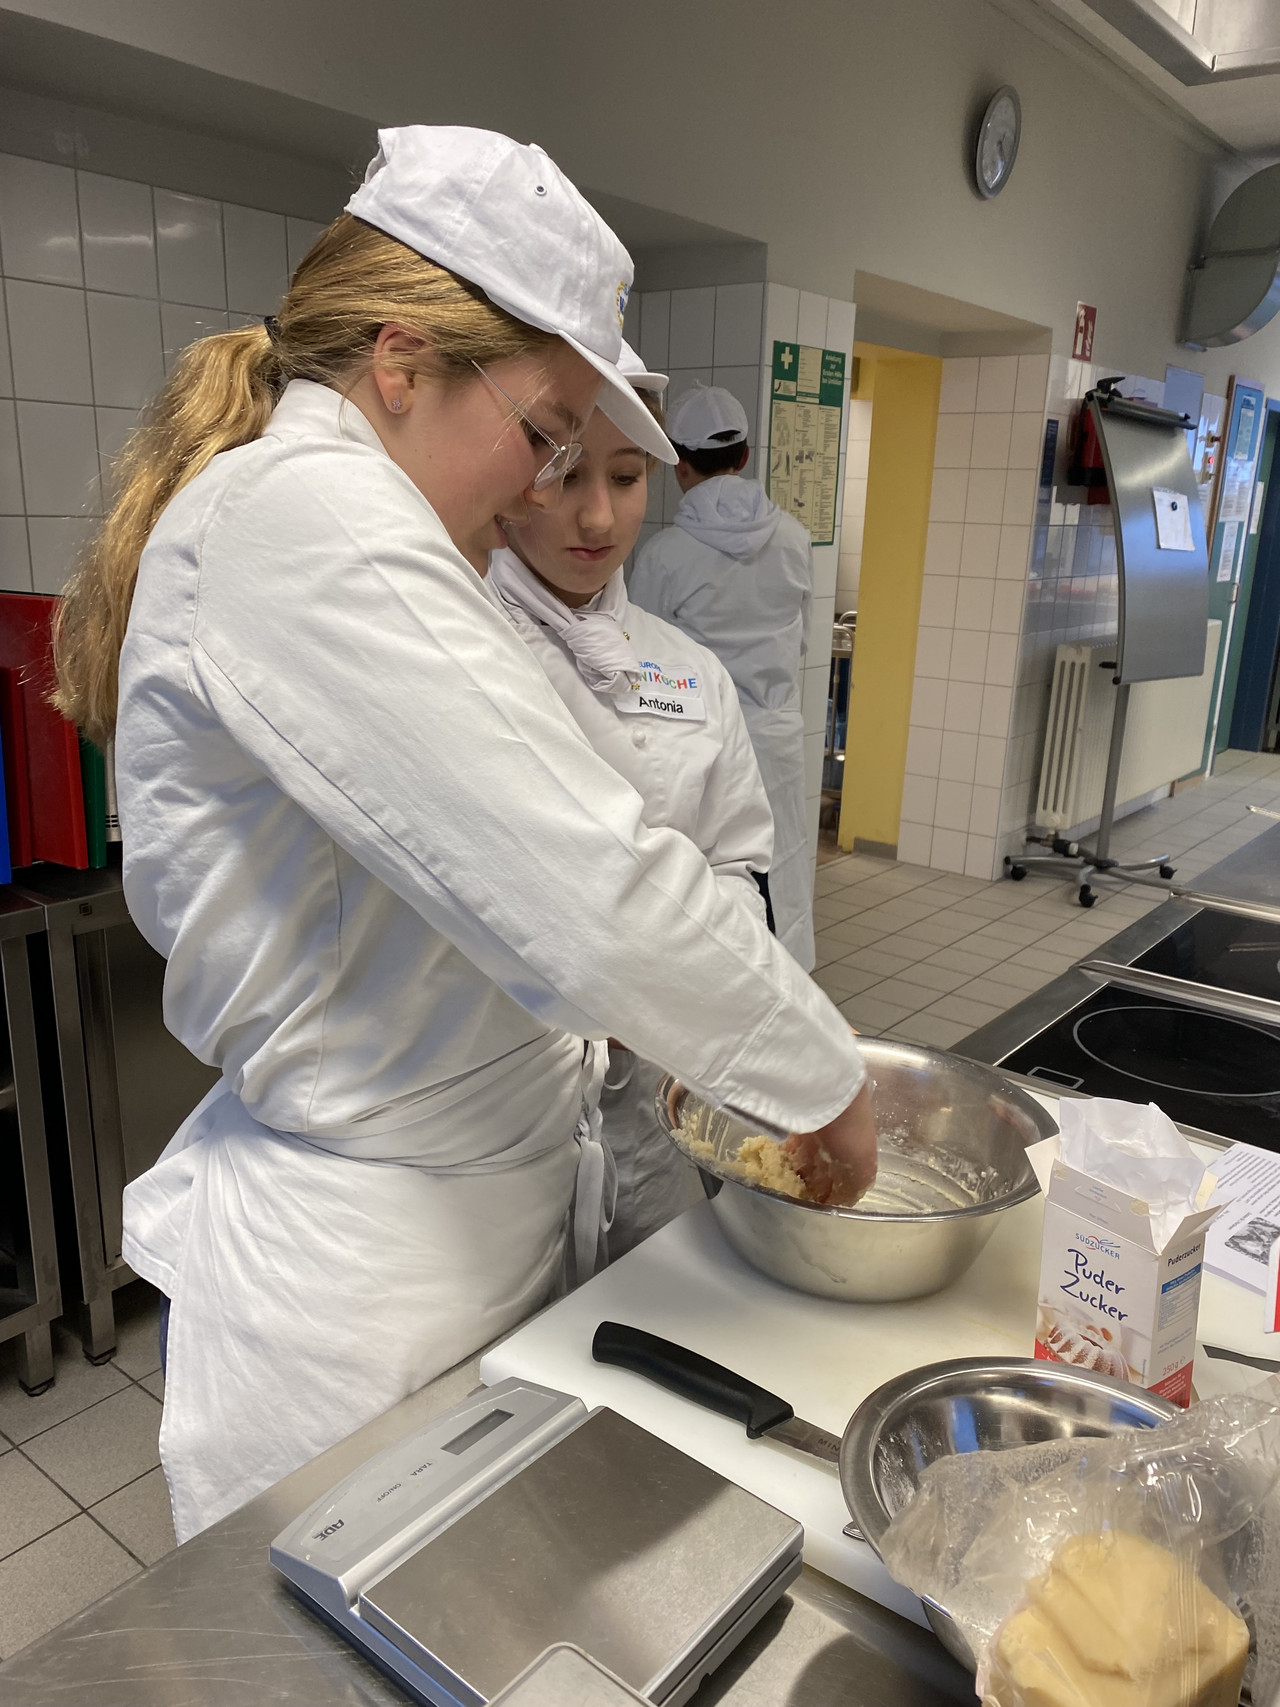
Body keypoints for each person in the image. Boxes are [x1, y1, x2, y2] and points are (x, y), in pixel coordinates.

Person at [52, 126, 874, 1543]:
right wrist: (820, 1079)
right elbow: (585, 886)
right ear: (401, 362)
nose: (550, 485)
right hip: (352, 1302)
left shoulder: (368, 530)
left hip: (464, 1243)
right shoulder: (298, 518)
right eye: (545, 432)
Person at [489, 343, 775, 1258]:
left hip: (653, 1104)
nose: (599, 516)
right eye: (566, 474)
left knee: (650, 1311)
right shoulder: (460, 647)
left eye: (626, 475)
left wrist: (679, 983)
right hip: (501, 1120)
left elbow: (735, 862)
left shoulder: (689, 669)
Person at [630, 384, 817, 969]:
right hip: (777, 734)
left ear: (678, 464)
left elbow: (641, 665)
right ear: (745, 456)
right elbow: (801, 640)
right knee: (782, 867)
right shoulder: (794, 538)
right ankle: (790, 986)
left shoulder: (665, 553)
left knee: (711, 874)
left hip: (701, 742)